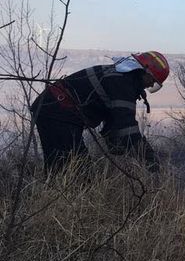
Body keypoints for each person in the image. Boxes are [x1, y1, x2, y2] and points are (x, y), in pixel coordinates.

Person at [30, 51, 169, 172]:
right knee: (76, 172)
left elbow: (115, 123)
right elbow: (128, 128)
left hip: (55, 111)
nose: (151, 85)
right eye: (152, 80)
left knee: (66, 168)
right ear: (144, 70)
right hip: (56, 112)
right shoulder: (122, 83)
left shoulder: (121, 77)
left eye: (155, 84)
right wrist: (151, 160)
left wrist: (117, 145)